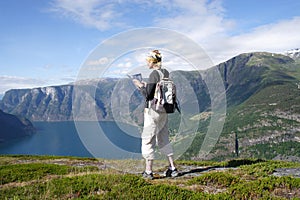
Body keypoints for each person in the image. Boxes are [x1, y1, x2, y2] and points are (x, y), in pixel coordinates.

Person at [133, 50, 178, 179]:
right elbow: (159, 89)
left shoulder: (153, 73)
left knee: (148, 140)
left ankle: (148, 172)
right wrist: (147, 85)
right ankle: (173, 168)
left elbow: (148, 95)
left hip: (152, 112)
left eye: (147, 61)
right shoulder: (165, 72)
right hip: (164, 110)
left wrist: (139, 86)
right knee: (164, 139)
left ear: (152, 61)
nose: (146, 63)